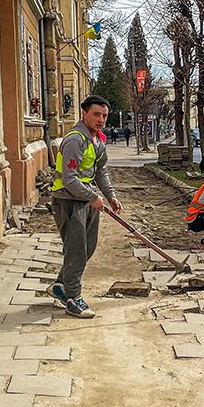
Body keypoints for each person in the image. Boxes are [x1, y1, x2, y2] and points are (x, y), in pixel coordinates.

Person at [49, 95, 121, 319]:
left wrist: (110, 195)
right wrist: (92, 197)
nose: (101, 119)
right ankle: (73, 298)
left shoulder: (98, 140)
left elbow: (100, 172)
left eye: (104, 116)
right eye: (96, 114)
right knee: (76, 249)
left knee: (87, 248)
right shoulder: (75, 140)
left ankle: (60, 286)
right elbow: (70, 179)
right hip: (69, 201)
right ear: (84, 114)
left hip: (86, 200)